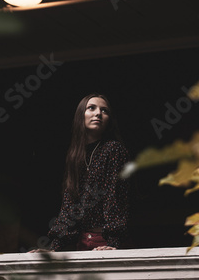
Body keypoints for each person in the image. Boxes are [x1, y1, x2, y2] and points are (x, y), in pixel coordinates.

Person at [32, 93, 129, 252]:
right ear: (80, 115)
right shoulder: (75, 155)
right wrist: (54, 249)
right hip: (83, 242)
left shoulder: (113, 150)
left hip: (108, 242)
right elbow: (69, 204)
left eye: (104, 111)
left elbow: (116, 196)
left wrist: (113, 243)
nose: (98, 113)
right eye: (91, 108)